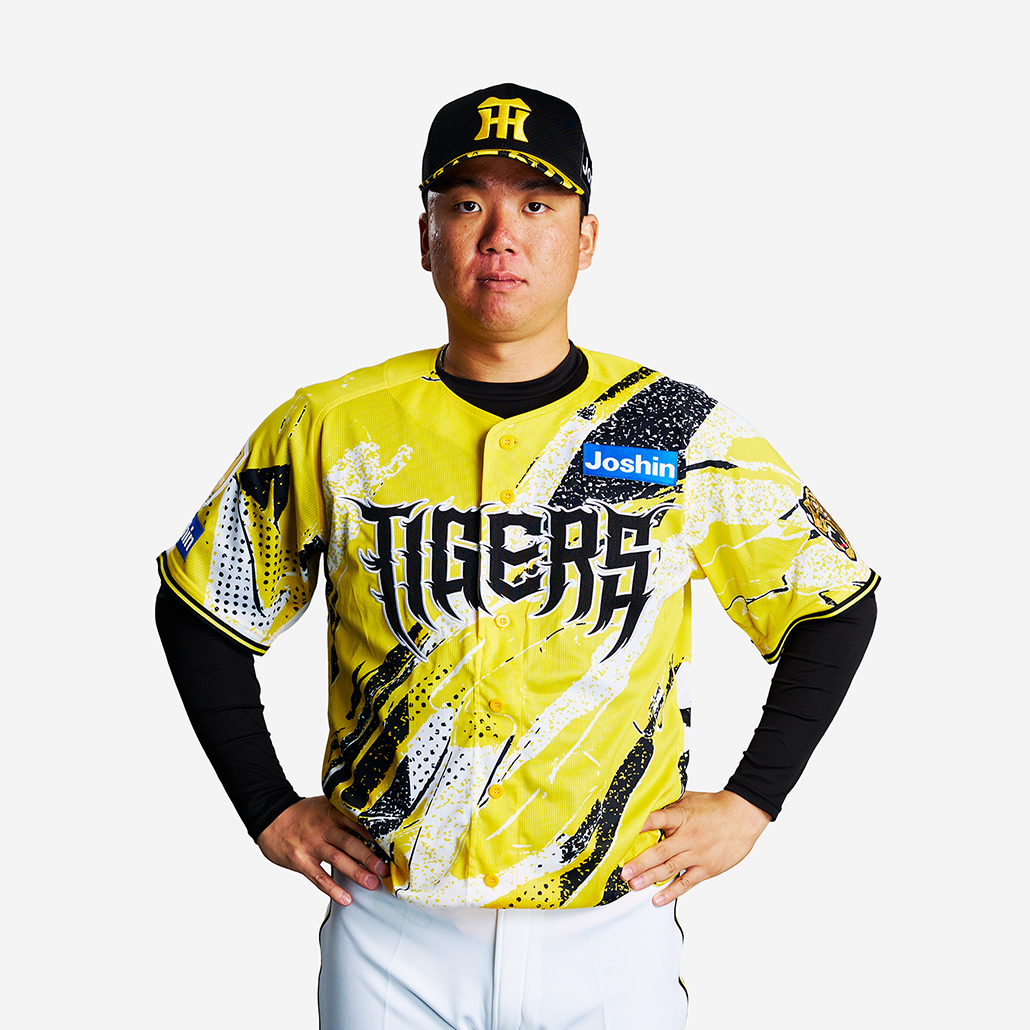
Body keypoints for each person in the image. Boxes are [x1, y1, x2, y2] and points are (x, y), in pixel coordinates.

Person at [156, 83, 878, 1029]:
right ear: (426, 238)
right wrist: (266, 804)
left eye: (537, 205)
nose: (501, 236)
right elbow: (202, 609)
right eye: (466, 204)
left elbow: (831, 604)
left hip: (612, 920)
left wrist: (752, 802)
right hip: (390, 920)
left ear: (586, 238)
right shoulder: (331, 423)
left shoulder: (676, 428)